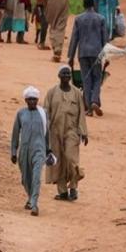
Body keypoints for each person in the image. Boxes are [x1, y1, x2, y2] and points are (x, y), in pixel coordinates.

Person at [44, 66, 89, 201]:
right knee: (59, 162)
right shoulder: (51, 92)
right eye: (63, 73)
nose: (66, 76)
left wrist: (84, 132)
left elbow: (81, 113)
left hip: (72, 131)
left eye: (68, 74)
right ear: (59, 75)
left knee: (71, 159)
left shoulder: (76, 93)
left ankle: (74, 186)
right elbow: (46, 113)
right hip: (55, 131)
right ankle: (63, 191)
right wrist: (44, 132)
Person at [11, 86, 52, 216]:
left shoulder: (43, 113)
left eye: (35, 99)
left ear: (37, 99)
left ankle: (34, 204)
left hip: (39, 149)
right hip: (24, 150)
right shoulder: (21, 113)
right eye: (30, 99)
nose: (33, 102)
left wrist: (48, 149)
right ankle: (30, 198)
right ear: (26, 100)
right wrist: (13, 151)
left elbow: (47, 133)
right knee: (25, 178)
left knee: (36, 177)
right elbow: (15, 133)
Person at [68, 0, 109, 116]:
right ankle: (94, 101)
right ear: (93, 5)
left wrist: (70, 57)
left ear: (84, 5)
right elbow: (104, 39)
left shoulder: (78, 19)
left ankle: (89, 110)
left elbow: (74, 38)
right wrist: (106, 57)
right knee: (97, 78)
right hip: (97, 53)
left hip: (83, 53)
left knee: (86, 80)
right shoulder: (101, 18)